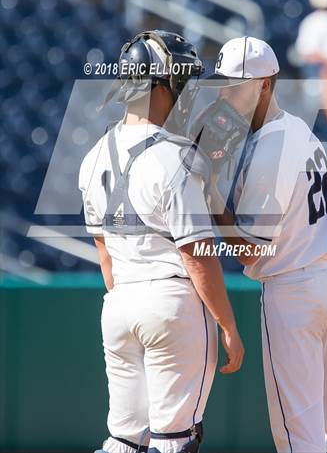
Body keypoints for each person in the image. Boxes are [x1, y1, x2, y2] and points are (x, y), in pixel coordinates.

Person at [199, 36, 327, 453]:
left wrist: (212, 198)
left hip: (293, 292)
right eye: (222, 83)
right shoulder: (297, 128)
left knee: (298, 434)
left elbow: (251, 251)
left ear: (265, 84)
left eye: (236, 84)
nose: (226, 92)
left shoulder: (269, 147)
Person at [79, 30, 244, 453]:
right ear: (159, 85)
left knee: (123, 438)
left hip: (118, 306)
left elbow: (104, 255)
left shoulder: (93, 154)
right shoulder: (177, 155)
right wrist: (228, 326)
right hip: (172, 302)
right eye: (181, 81)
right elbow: (197, 256)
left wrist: (131, 304)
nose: (186, 91)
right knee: (174, 440)